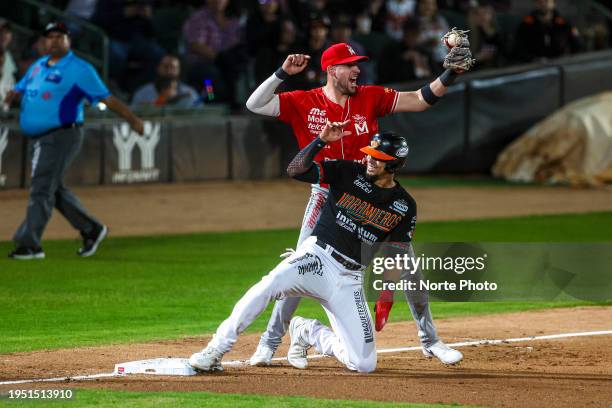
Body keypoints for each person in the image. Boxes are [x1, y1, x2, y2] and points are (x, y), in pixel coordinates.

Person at [245, 38, 474, 367]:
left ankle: (431, 340)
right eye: (351, 65)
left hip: (372, 198)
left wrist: (449, 74)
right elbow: (255, 104)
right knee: (296, 270)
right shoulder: (302, 101)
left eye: (358, 64)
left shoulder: (371, 97)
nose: (357, 70)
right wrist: (282, 72)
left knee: (409, 270)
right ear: (332, 70)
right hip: (325, 195)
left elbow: (421, 100)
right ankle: (270, 342)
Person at [189, 125, 418, 373]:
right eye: (370, 154)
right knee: (268, 285)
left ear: (394, 165)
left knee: (364, 364)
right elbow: (295, 170)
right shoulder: (348, 171)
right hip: (317, 258)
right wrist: (319, 142)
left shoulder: (404, 205)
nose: (370, 160)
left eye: (379, 158)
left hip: (351, 279)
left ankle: (308, 331)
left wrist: (387, 294)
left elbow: (397, 253)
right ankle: (216, 348)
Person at [4, 21, 144, 260]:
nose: (55, 40)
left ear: (69, 41)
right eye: (50, 36)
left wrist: (131, 118)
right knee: (51, 188)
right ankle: (92, 229)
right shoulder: (38, 66)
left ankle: (30, 245)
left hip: (62, 134)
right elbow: (19, 89)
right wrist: (13, 96)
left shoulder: (80, 69)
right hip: (39, 137)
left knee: (41, 188)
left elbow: (106, 98)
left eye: (60, 36)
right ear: (43, 41)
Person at [514, 0, 581, 62]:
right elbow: (519, 48)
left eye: (546, 1)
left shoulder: (563, 23)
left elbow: (576, 45)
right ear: (534, 4)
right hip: (535, 67)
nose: (543, 4)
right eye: (539, 1)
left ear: (553, 3)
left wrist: (568, 58)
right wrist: (533, 59)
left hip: (561, 64)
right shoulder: (526, 25)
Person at [131, 54, 198, 108]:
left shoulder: (191, 93)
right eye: (165, 67)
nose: (169, 71)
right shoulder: (142, 94)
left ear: (179, 71)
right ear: (158, 68)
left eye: (173, 67)